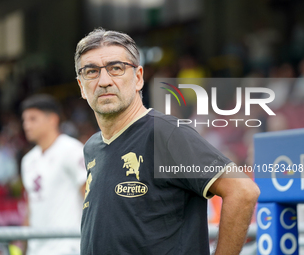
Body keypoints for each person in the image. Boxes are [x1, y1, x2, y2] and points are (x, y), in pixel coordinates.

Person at [74, 28, 260, 255]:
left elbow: (242, 191)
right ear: (82, 86)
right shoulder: (93, 147)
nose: (104, 81)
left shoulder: (165, 133)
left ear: (138, 78)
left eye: (116, 68)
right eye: (91, 71)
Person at [21, 94, 86, 255]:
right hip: (36, 249)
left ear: (52, 119)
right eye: (24, 120)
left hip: (68, 247)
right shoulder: (27, 161)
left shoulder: (71, 150)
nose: (26, 125)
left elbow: (90, 198)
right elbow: (31, 209)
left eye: (33, 119)